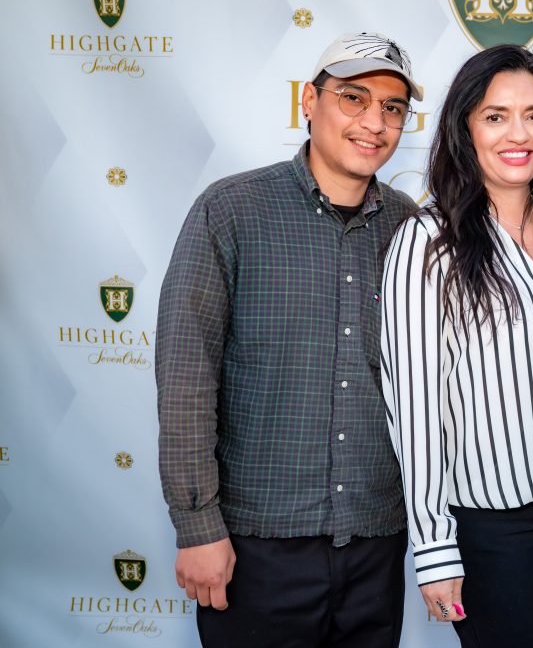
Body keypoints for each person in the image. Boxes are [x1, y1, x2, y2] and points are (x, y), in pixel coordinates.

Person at [155, 32, 423, 648]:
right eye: (353, 98)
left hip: (375, 541)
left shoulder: (412, 229)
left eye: (392, 108)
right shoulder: (232, 211)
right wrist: (197, 525)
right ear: (310, 100)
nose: (374, 122)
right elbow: (187, 374)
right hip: (256, 547)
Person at [380, 45, 533, 648]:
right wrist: (433, 546)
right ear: (465, 129)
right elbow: (414, 406)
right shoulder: (428, 242)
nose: (519, 133)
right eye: (496, 115)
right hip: (486, 525)